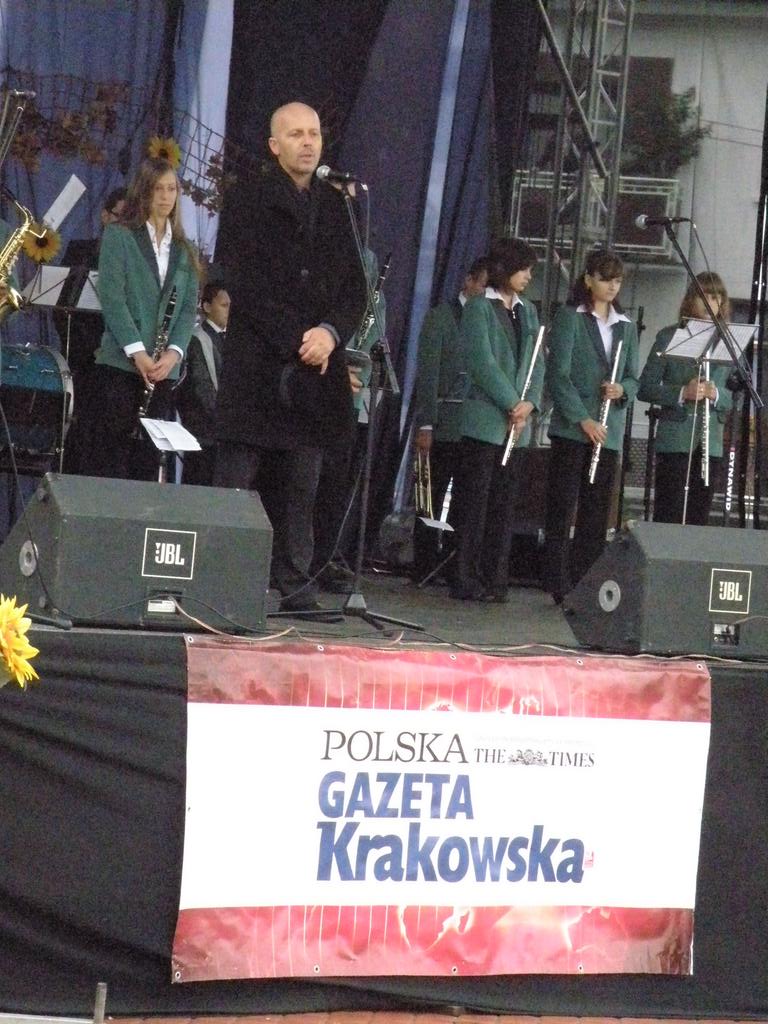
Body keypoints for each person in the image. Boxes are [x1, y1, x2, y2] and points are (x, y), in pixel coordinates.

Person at [214, 101, 366, 614]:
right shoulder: (247, 199)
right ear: (274, 145)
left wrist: (329, 333)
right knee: (239, 481)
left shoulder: (338, 206)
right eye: (296, 134)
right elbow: (243, 282)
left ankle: (296, 582)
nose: (308, 142)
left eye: (314, 134)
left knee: (302, 482)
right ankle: (225, 583)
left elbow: (355, 288)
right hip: (260, 366)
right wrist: (299, 338)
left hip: (313, 371)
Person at [80, 159, 199, 480]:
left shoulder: (185, 249)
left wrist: (174, 352)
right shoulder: (119, 236)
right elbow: (113, 299)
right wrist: (138, 353)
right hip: (121, 363)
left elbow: (188, 309)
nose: (166, 196)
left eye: (172, 189)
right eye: (158, 189)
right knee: (111, 458)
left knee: (147, 461)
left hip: (162, 370)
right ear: (144, 192)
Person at [449, 238, 543, 602]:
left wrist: (530, 403)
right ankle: (466, 577)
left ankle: (495, 577)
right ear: (504, 269)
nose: (528, 277)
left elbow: (537, 361)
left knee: (504, 505)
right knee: (475, 503)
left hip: (516, 425)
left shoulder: (528, 311)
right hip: (486, 420)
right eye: (523, 270)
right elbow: (481, 361)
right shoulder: (479, 307)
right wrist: (512, 402)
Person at [543, 249, 639, 603]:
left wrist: (621, 389)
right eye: (605, 279)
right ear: (588, 279)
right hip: (573, 428)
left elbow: (633, 378)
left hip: (607, 431)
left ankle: (586, 583)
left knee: (596, 513)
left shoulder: (626, 326)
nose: (612, 286)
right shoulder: (570, 317)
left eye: (617, 281)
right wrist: (583, 418)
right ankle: (557, 582)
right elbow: (558, 375)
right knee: (562, 506)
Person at [411, 256, 489, 583]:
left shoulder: (488, 321)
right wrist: (425, 423)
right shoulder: (441, 318)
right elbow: (428, 373)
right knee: (430, 495)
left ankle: (454, 564)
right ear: (468, 281)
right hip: (442, 423)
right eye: (483, 285)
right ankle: (424, 563)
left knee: (464, 500)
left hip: (473, 427)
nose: (485, 293)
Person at [311, 246, 384, 594]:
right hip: (319, 391)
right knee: (308, 482)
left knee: (336, 485)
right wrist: (338, 370)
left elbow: (374, 341)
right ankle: (299, 558)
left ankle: (327, 557)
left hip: (350, 400)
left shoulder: (375, 297)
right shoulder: (323, 281)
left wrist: (358, 374)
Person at [638, 272, 733, 525]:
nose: (710, 303)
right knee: (668, 513)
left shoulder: (727, 341)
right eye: (704, 297)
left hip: (710, 442)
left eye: (716, 297)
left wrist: (716, 394)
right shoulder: (669, 336)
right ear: (691, 299)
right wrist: (682, 392)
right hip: (676, 439)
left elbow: (733, 395)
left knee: (699, 518)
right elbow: (645, 388)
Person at [53, 187, 127, 473]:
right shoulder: (81, 251)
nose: (124, 226)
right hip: (82, 357)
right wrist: (86, 348)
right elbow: (61, 308)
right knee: (76, 432)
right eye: (119, 217)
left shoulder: (131, 259)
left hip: (118, 358)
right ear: (105, 216)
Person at [177, 282, 230, 486]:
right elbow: (202, 386)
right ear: (207, 306)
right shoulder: (196, 339)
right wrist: (224, 416)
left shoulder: (231, 338)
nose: (229, 311)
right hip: (203, 429)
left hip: (222, 427)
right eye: (224, 305)